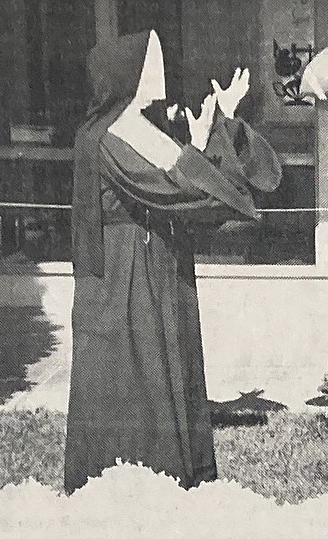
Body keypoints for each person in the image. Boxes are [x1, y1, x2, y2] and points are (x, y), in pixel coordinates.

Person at [65, 31, 282, 493]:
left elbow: (176, 177)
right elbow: (175, 187)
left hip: (152, 265)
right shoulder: (110, 136)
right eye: (149, 64)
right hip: (123, 274)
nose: (157, 74)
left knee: (162, 361)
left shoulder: (133, 127)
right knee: (133, 368)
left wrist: (213, 131)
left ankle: (169, 472)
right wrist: (211, 143)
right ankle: (130, 481)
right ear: (125, 75)